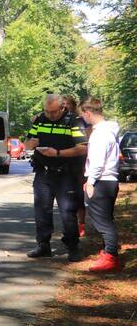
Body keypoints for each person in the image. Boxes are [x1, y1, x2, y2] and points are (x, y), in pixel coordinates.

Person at [23, 94, 88, 261]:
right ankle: (43, 245)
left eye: (54, 112)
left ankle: (72, 246)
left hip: (66, 173)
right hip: (43, 172)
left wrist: (58, 153)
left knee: (67, 212)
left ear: (62, 108)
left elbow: (82, 148)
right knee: (42, 211)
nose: (50, 115)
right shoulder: (41, 119)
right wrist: (31, 144)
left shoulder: (74, 121)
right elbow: (28, 141)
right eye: (47, 111)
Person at [79, 97, 124, 273]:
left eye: (83, 115)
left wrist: (90, 181)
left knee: (103, 222)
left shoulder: (100, 134)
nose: (83, 119)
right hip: (109, 180)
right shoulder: (110, 131)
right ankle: (107, 252)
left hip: (101, 181)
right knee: (106, 219)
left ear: (88, 113)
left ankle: (111, 257)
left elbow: (97, 161)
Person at [63, 95, 90, 237]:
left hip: (79, 162)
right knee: (67, 197)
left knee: (79, 196)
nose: (65, 106)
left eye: (68, 104)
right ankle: (70, 224)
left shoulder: (80, 121)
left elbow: (88, 137)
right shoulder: (59, 119)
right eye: (63, 104)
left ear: (74, 105)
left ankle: (81, 223)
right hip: (65, 162)